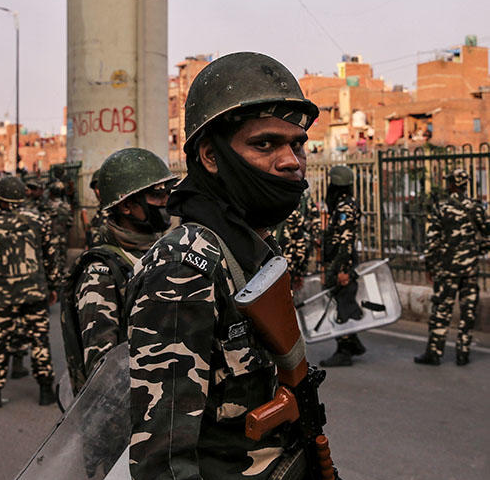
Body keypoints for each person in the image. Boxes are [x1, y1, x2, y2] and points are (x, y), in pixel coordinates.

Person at [125, 52, 320, 479]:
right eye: (265, 144)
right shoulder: (184, 268)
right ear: (211, 157)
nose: (291, 161)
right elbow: (163, 463)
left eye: (297, 144)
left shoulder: (251, 249)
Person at [61, 148, 176, 395]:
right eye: (157, 195)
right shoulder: (102, 271)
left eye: (167, 192)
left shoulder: (163, 251)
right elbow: (103, 374)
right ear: (126, 205)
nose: (166, 200)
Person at [0, 176, 59, 408]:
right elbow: (51, 257)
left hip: (3, 295)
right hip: (35, 292)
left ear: (0, 198)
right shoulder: (40, 220)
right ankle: (45, 390)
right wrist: (54, 285)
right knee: (39, 339)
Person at [416, 168, 490, 366]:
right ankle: (463, 352)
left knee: (441, 310)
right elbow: (488, 232)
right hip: (470, 270)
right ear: (465, 184)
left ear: (451, 184)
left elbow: (433, 241)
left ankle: (434, 353)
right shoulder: (476, 207)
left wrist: (430, 266)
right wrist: (477, 250)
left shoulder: (441, 208)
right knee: (468, 313)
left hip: (447, 270)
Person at [319, 165, 366, 367]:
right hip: (338, 260)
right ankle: (353, 343)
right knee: (342, 301)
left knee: (342, 305)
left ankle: (345, 350)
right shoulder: (343, 203)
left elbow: (346, 239)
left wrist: (343, 270)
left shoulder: (346, 206)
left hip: (342, 262)